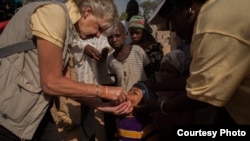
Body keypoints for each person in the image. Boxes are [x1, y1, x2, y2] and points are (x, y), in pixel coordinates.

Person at [0, 0, 132, 140]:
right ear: (87, 12)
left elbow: (66, 85)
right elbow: (51, 83)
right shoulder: (54, 14)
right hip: (8, 114)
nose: (98, 35)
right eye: (99, 27)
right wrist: (105, 91)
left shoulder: (68, 31)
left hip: (33, 113)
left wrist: (100, 105)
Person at [138, 0, 250, 125]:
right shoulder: (221, 9)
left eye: (172, 20)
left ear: (188, 9)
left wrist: (160, 107)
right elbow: (200, 79)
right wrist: (155, 86)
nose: (174, 29)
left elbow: (201, 96)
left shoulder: (210, 26)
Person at [154, 50, 193, 140]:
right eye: (162, 70)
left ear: (179, 72)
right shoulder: (159, 89)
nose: (164, 74)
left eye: (169, 72)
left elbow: (186, 117)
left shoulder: (182, 93)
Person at [107, 21, 150, 91]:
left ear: (126, 35)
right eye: (110, 37)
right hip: (124, 99)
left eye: (117, 36)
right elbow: (114, 82)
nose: (114, 40)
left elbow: (150, 73)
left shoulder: (137, 51)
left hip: (141, 96)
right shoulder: (110, 60)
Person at [129, 15, 164, 82]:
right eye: (131, 33)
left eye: (137, 33)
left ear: (144, 32)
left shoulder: (155, 48)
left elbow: (158, 68)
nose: (134, 36)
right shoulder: (129, 47)